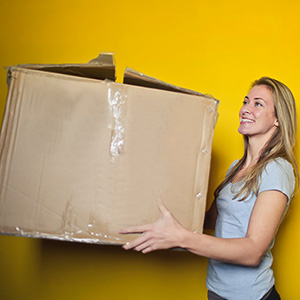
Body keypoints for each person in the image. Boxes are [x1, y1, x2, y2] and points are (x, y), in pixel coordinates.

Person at [119, 77, 299, 300]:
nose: (246, 109)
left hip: (251, 295)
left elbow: (253, 252)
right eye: (246, 101)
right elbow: (210, 221)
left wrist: (180, 238)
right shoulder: (236, 167)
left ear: (278, 120)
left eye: (258, 104)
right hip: (217, 291)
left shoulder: (277, 169)